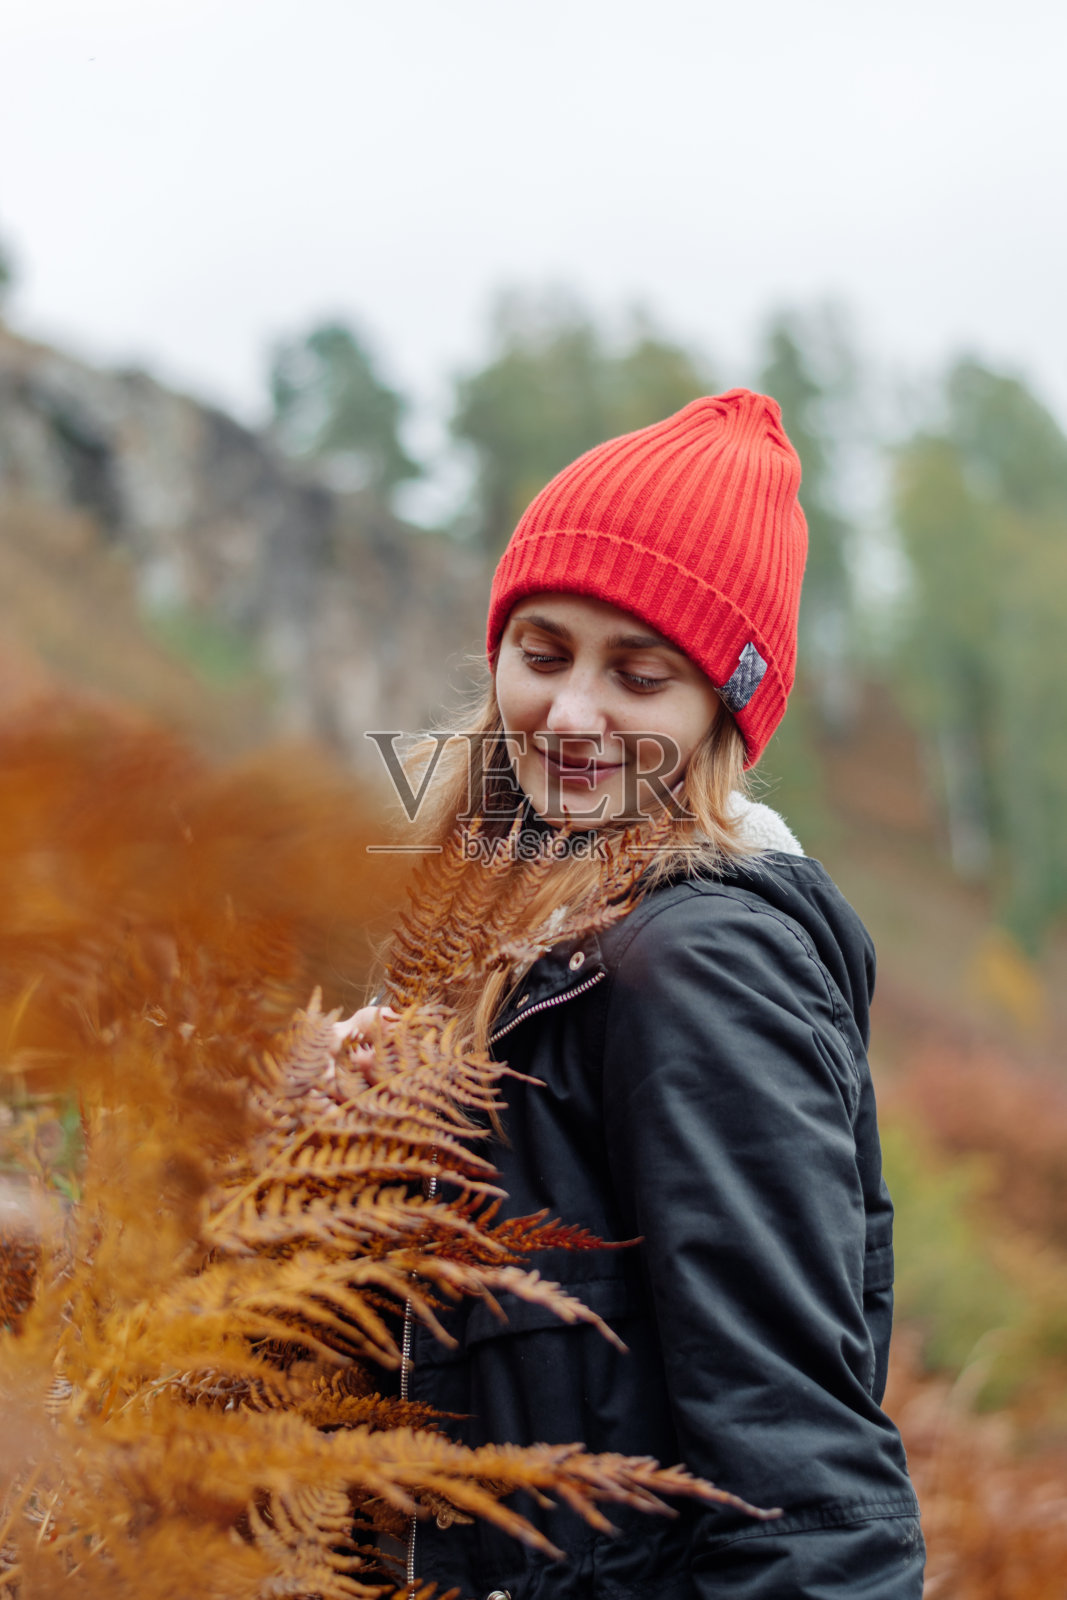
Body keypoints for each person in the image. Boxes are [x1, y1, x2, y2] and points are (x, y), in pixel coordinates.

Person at [344, 391, 925, 1599]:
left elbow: (802, 1476)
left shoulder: (699, 964)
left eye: (638, 674)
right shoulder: (526, 942)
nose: (567, 715)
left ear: (720, 709)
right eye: (541, 652)